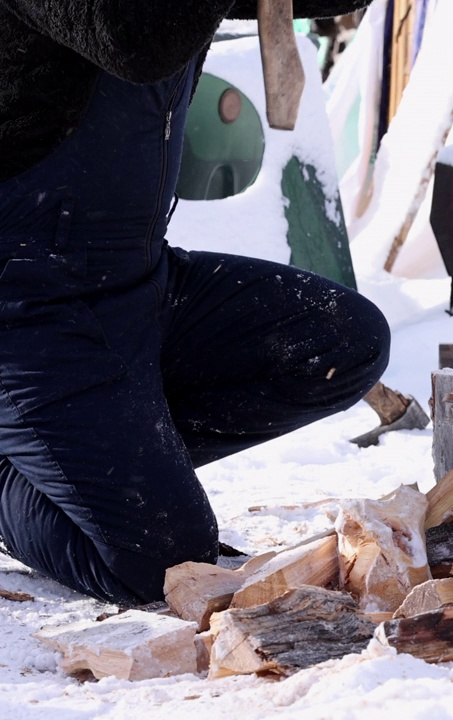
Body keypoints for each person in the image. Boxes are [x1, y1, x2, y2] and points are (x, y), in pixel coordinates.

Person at [0, 0, 386, 605]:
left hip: (139, 282)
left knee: (342, 343)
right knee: (162, 563)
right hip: (30, 312)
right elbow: (137, 40)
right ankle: (17, 476)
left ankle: (83, 467)